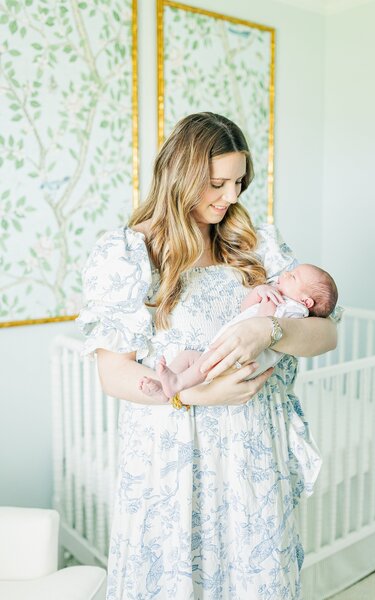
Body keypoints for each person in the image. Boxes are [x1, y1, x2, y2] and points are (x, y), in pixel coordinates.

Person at [77, 112, 339, 600]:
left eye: (239, 181)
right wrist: (197, 395)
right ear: (181, 176)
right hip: (173, 452)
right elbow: (113, 374)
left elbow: (327, 336)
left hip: (253, 453)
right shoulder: (130, 254)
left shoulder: (256, 246)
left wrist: (269, 328)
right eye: (218, 183)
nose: (232, 196)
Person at [138, 264, 338, 403]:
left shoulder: (295, 310)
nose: (285, 274)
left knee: (204, 364)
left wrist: (268, 302)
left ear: (306, 302)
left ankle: (178, 382)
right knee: (190, 357)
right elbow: (245, 310)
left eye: (292, 276)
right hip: (229, 348)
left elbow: (262, 323)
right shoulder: (278, 297)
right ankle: (167, 387)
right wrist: (259, 292)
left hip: (241, 357)